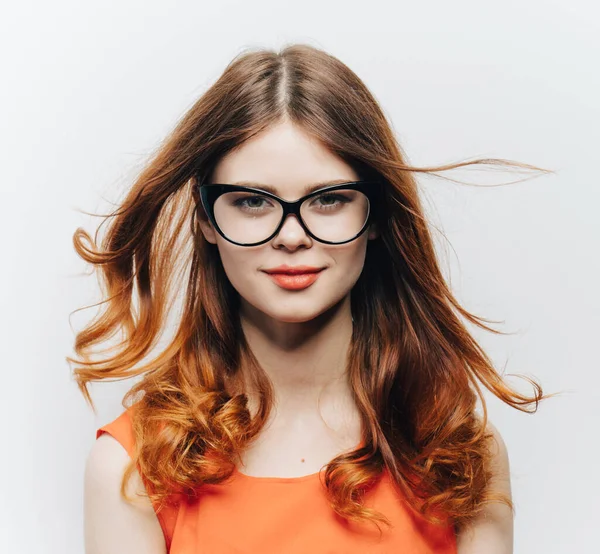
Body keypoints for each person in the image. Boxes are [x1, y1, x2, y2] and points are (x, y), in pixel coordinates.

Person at [71, 43, 554, 553]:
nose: (293, 236)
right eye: (252, 201)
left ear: (376, 217)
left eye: (329, 199)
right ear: (207, 220)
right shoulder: (132, 467)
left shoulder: (458, 453)